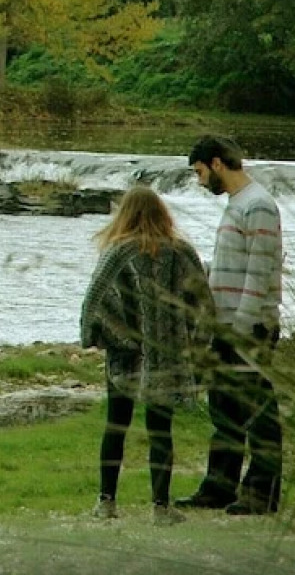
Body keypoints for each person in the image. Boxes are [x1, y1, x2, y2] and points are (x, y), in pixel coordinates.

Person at [81, 185, 213, 524]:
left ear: (125, 213)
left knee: (116, 424)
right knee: (160, 430)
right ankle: (160, 507)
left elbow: (95, 301)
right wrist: (196, 344)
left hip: (125, 354)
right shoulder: (183, 252)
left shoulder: (117, 252)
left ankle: (106, 503)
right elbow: (203, 303)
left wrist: (103, 337)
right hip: (168, 354)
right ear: (162, 213)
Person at [176, 135, 284, 515]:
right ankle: (219, 488)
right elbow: (233, 266)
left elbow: (259, 271)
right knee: (224, 411)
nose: (200, 181)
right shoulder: (238, 204)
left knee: (257, 412)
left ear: (217, 163)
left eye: (200, 172)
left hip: (248, 327)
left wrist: (243, 325)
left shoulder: (258, 205)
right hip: (225, 324)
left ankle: (261, 494)